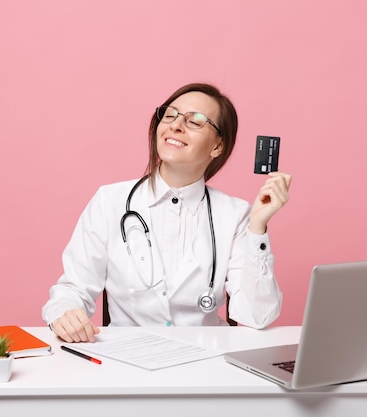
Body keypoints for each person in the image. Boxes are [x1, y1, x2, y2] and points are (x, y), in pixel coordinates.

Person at [42, 83, 292, 343]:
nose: (175, 125)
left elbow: (257, 315)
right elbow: (72, 290)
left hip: (205, 366)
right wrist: (64, 312)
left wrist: (258, 228)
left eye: (195, 121)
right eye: (170, 115)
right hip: (127, 363)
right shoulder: (109, 201)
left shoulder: (236, 214)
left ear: (217, 146)